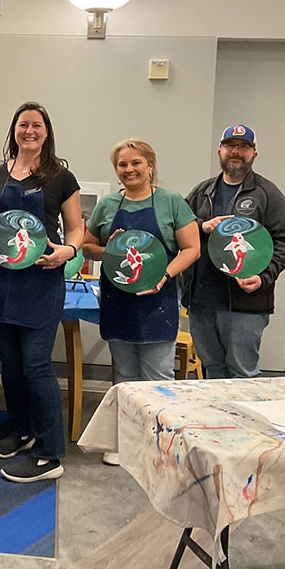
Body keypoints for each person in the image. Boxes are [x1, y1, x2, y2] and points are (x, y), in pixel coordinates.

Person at [0, 102, 82, 482]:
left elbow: (76, 228)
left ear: (46, 133)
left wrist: (68, 250)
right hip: (0, 280)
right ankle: (22, 430)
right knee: (11, 365)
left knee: (36, 365)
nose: (29, 131)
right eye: (23, 125)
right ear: (13, 130)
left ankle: (50, 454)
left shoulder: (61, 178)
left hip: (40, 281)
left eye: (36, 125)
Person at [83, 138, 199, 464]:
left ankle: (162, 447)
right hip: (117, 301)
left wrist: (164, 275)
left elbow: (192, 248)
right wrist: (108, 249)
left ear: (150, 165)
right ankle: (126, 442)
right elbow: (88, 247)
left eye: (136, 162)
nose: (129, 169)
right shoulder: (108, 205)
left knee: (158, 377)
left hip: (158, 301)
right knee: (125, 376)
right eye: (122, 164)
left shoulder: (171, 202)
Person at [182, 124, 285, 379]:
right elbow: (180, 229)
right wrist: (202, 226)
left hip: (246, 303)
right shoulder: (202, 191)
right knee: (212, 370)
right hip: (201, 300)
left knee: (242, 373)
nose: (236, 151)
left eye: (244, 147)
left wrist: (263, 277)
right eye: (230, 145)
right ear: (220, 151)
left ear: (254, 154)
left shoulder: (267, 193)